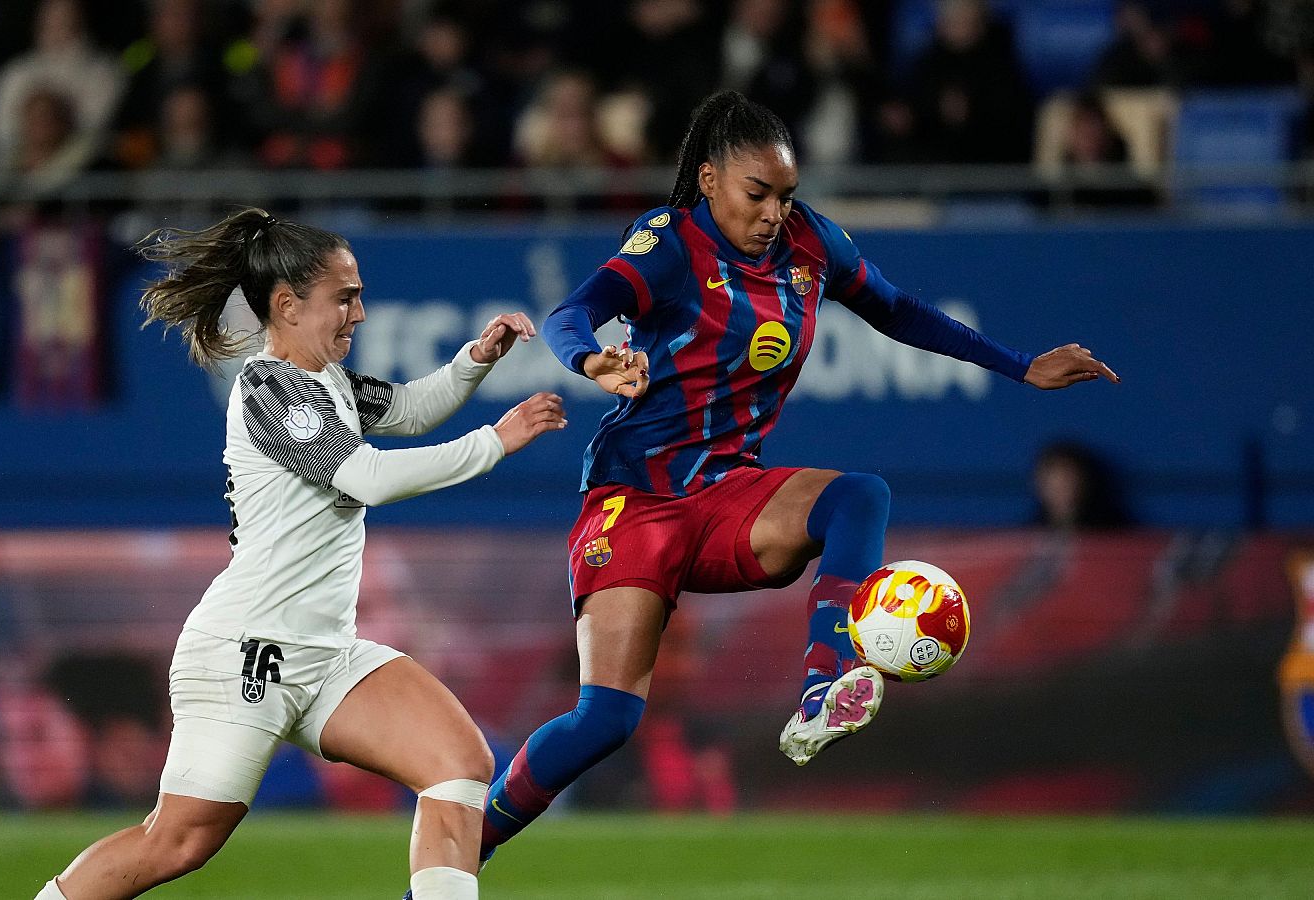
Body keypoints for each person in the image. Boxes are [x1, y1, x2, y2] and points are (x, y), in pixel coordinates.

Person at [417, 89, 1120, 889]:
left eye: (786, 195)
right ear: (709, 179)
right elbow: (575, 311)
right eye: (758, 194)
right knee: (607, 719)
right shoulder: (671, 242)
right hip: (634, 501)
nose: (773, 213)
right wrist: (590, 360)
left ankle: (825, 683)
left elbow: (896, 310)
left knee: (858, 495)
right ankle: (461, 854)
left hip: (727, 497)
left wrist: (1019, 365)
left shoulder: (811, 244)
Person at [32, 208, 567, 900]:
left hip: (326, 654)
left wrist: (475, 361)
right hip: (247, 650)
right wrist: (494, 441)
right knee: (178, 842)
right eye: (345, 297)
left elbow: (409, 408)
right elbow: (366, 477)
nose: (360, 313)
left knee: (458, 764)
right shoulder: (270, 388)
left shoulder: (328, 383)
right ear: (287, 305)